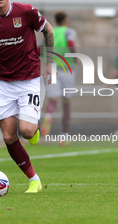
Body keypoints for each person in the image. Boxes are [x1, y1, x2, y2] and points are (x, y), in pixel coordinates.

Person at [0, 0, 54, 193]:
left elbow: (48, 30)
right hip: (3, 83)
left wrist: (51, 62)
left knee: (27, 131)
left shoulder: (26, 12)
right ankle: (34, 180)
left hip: (29, 80)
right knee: (9, 136)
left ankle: (34, 127)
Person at [41, 12, 77, 145]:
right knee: (66, 102)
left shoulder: (48, 31)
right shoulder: (69, 31)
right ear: (66, 20)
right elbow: (71, 43)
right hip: (67, 67)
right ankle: (64, 135)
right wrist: (75, 56)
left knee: (52, 100)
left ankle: (49, 115)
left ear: (55, 21)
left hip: (52, 67)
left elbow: (39, 49)